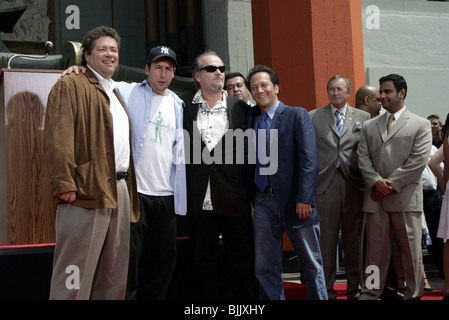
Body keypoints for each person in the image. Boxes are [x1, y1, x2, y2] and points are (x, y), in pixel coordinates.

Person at [61, 45, 187, 300]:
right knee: (127, 262)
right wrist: (79, 69)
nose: (163, 74)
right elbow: (99, 80)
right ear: (147, 70)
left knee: (162, 264)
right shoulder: (125, 91)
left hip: (167, 195)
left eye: (168, 69)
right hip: (135, 195)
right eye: (158, 68)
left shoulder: (179, 104)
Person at [44, 26, 140, 300]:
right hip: (85, 192)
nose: (110, 54)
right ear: (86, 55)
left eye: (114, 50)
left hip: (119, 191)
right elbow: (58, 137)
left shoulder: (115, 91)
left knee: (113, 274)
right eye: (102, 49)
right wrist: (65, 183)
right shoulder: (70, 84)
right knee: (74, 275)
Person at [181, 51, 258, 299]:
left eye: (221, 68)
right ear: (196, 75)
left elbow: (252, 155)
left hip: (235, 197)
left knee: (242, 261)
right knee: (203, 262)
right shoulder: (181, 106)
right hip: (198, 198)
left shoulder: (242, 109)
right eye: (211, 68)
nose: (218, 72)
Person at [246, 64, 327, 300]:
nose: (259, 90)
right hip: (263, 201)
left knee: (311, 263)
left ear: (276, 88)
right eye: (254, 87)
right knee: (265, 267)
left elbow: (309, 160)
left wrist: (305, 198)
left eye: (264, 85)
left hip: (295, 202)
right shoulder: (252, 119)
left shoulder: (295, 114)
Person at [357, 74, 432, 300]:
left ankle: (414, 292)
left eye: (387, 91)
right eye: (380, 92)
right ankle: (370, 292)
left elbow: (418, 161)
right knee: (374, 254)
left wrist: (391, 184)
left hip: (406, 198)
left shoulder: (421, 124)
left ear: (402, 93)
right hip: (375, 198)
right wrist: (376, 182)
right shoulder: (369, 126)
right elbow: (363, 159)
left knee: (411, 252)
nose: (382, 96)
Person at [309, 75, 370, 299]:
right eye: (331, 89)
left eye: (339, 89)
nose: (335, 93)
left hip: (353, 182)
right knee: (326, 240)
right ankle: (326, 289)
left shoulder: (364, 117)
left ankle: (356, 289)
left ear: (348, 92)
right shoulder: (313, 116)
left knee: (355, 240)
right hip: (325, 183)